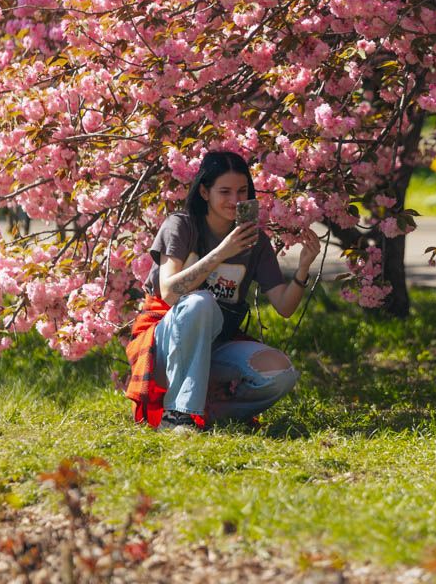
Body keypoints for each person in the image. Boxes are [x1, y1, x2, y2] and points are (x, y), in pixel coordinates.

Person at [125, 151, 321, 432]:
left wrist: (303, 268)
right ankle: (178, 416)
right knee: (200, 303)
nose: (235, 201)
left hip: (215, 347)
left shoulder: (254, 241)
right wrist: (220, 253)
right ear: (204, 191)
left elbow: (284, 306)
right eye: (225, 192)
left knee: (281, 373)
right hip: (166, 348)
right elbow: (169, 292)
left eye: (242, 191)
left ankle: (215, 415)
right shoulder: (181, 226)